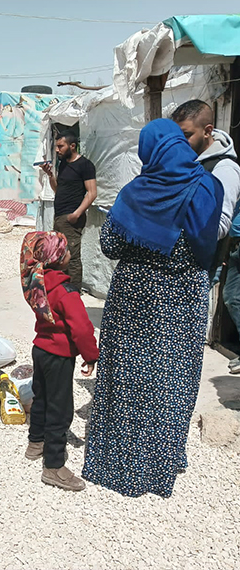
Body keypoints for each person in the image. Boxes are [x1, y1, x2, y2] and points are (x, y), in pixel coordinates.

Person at [82, 119, 223, 498]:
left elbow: (110, 244)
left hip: (134, 297)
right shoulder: (208, 186)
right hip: (182, 299)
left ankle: (117, 463)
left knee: (127, 378)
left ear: (150, 150)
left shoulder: (135, 191)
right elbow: (207, 244)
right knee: (171, 378)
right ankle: (161, 462)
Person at [21, 231, 99, 492]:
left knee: (41, 397)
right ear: (58, 259)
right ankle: (54, 466)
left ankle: (36, 443)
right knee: (61, 409)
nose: (69, 255)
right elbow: (82, 329)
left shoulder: (37, 284)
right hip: (59, 356)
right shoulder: (67, 292)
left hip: (40, 349)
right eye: (65, 252)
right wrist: (91, 356)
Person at [172, 100, 240, 241]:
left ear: (207, 131)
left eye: (186, 135)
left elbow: (220, 227)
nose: (180, 142)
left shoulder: (224, 168)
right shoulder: (186, 160)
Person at [41, 132, 97, 292]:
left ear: (72, 146)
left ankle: (73, 294)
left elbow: (92, 193)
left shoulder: (85, 165)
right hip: (60, 217)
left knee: (72, 257)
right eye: (56, 146)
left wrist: (76, 214)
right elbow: (58, 189)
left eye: (60, 146)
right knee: (59, 254)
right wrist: (50, 175)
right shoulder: (63, 164)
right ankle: (62, 291)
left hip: (71, 218)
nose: (57, 150)